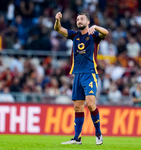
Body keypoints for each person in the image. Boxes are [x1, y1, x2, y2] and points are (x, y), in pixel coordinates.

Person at [54, 11, 108, 145]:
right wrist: (57, 20)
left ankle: (98, 133)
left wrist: (95, 27)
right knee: (78, 108)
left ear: (88, 22)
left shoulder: (94, 35)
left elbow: (105, 32)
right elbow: (58, 29)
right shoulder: (74, 35)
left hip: (90, 74)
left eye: (82, 19)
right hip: (77, 75)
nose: (79, 21)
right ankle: (77, 138)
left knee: (90, 104)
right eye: (78, 19)